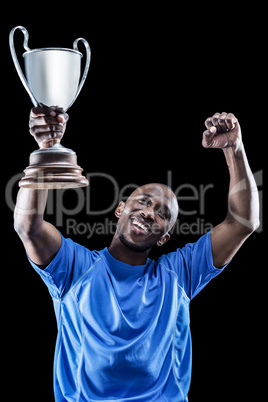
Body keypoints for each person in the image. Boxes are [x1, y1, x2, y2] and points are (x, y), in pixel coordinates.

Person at [14, 108, 259, 402]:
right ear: (121, 209)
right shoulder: (76, 267)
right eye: (143, 201)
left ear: (164, 237)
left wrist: (234, 148)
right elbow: (29, 227)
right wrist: (47, 149)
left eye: (162, 214)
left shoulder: (178, 274)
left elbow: (242, 223)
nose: (148, 212)